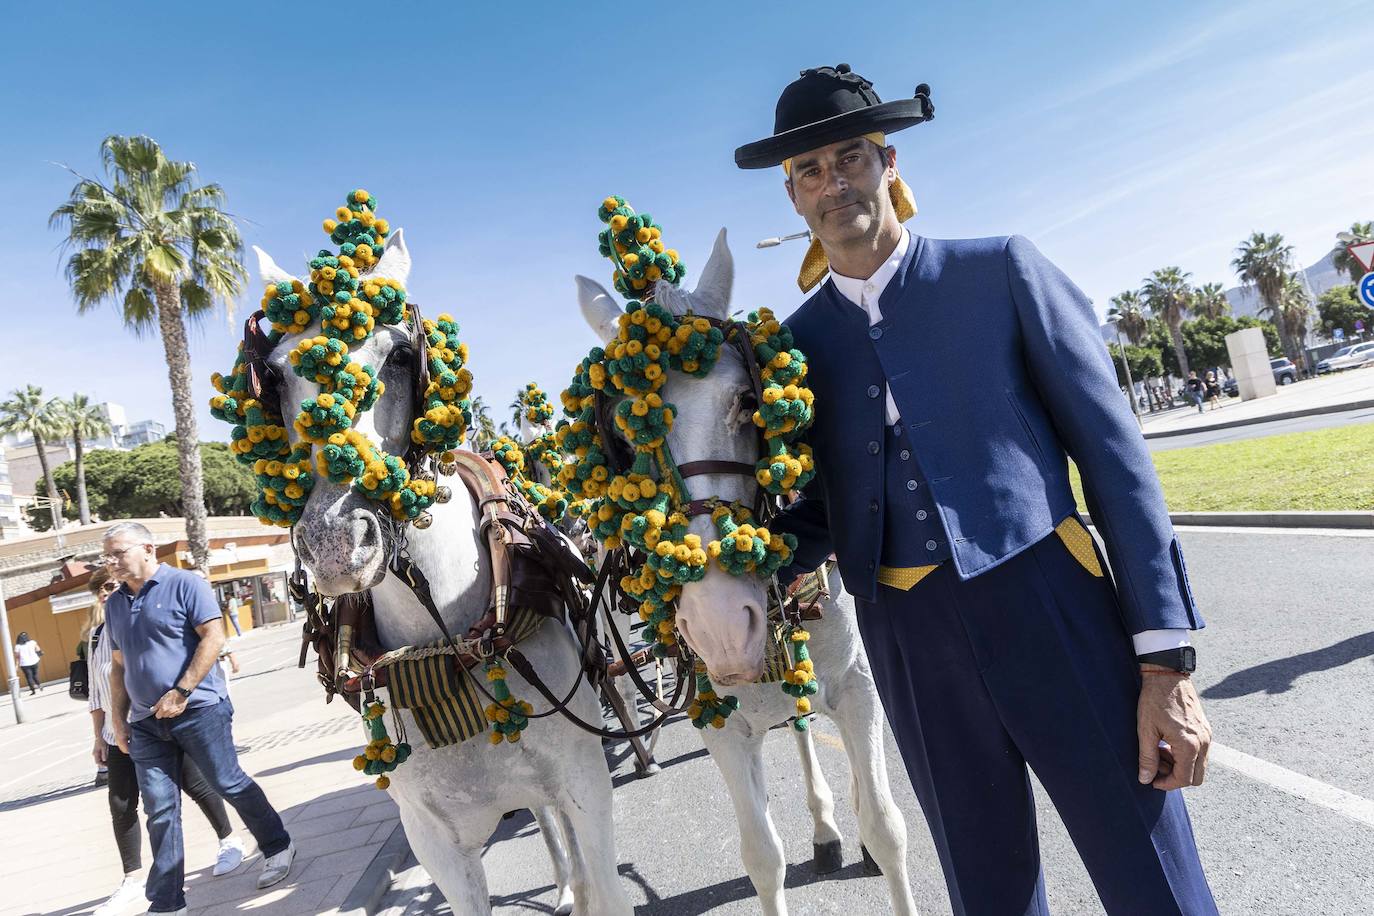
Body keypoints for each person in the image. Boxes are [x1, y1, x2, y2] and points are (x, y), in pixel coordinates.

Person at [736, 64, 1215, 914]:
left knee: (1153, 883)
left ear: (888, 164)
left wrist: (1166, 662)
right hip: (910, 645)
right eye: (809, 171)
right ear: (793, 198)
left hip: (1051, 606)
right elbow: (825, 508)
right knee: (988, 895)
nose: (831, 182)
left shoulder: (1000, 272)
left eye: (849, 158)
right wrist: (724, 565)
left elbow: (1115, 465)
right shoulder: (793, 349)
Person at [101, 522, 294, 916]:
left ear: (148, 549)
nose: (111, 562)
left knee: (228, 782)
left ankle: (277, 845)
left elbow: (213, 637)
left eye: (118, 553)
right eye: (107, 555)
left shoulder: (185, 584)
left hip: (199, 709)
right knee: (160, 808)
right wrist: (117, 722)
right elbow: (117, 667)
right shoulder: (114, 604)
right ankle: (169, 903)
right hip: (145, 723)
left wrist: (182, 691)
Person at [85, 567, 248, 916]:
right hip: (119, 732)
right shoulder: (97, 636)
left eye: (111, 585)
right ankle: (132, 879)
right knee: (121, 803)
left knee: (197, 785)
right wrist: (99, 735)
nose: (105, 592)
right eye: (100, 588)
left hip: (155, 721)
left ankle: (228, 840)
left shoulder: (138, 620)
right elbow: (96, 692)